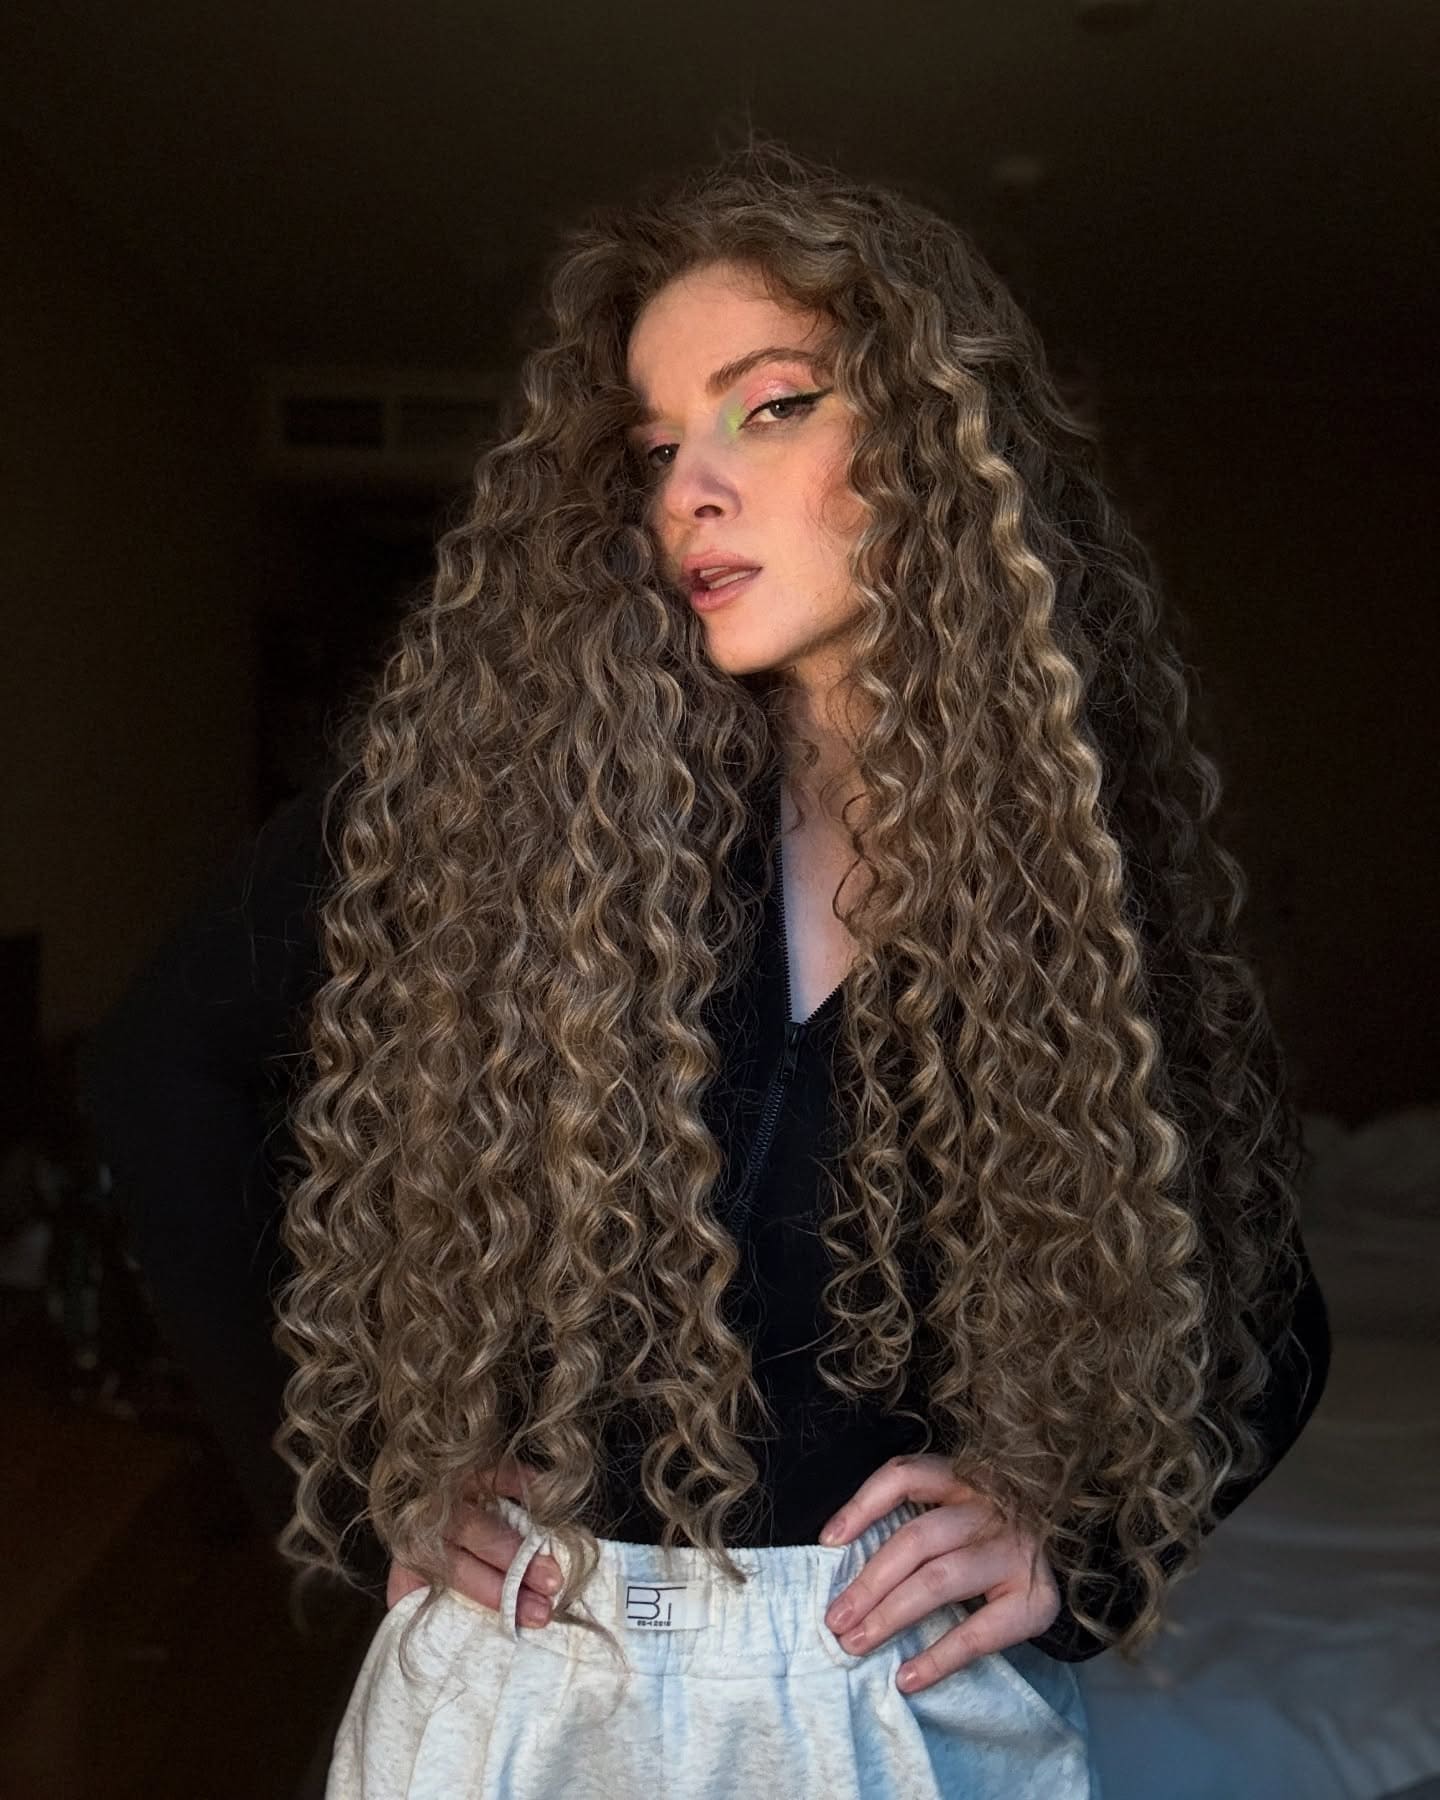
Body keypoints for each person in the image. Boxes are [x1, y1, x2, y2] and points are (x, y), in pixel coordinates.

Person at [113, 137, 1333, 1799]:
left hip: (895, 1707)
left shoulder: (1062, 874)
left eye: (769, 406)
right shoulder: (504, 805)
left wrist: (1086, 1545)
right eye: (655, 445)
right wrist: (352, 1474)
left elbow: (1265, 1299)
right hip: (529, 1681)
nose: (689, 484)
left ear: (934, 439)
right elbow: (161, 1068)